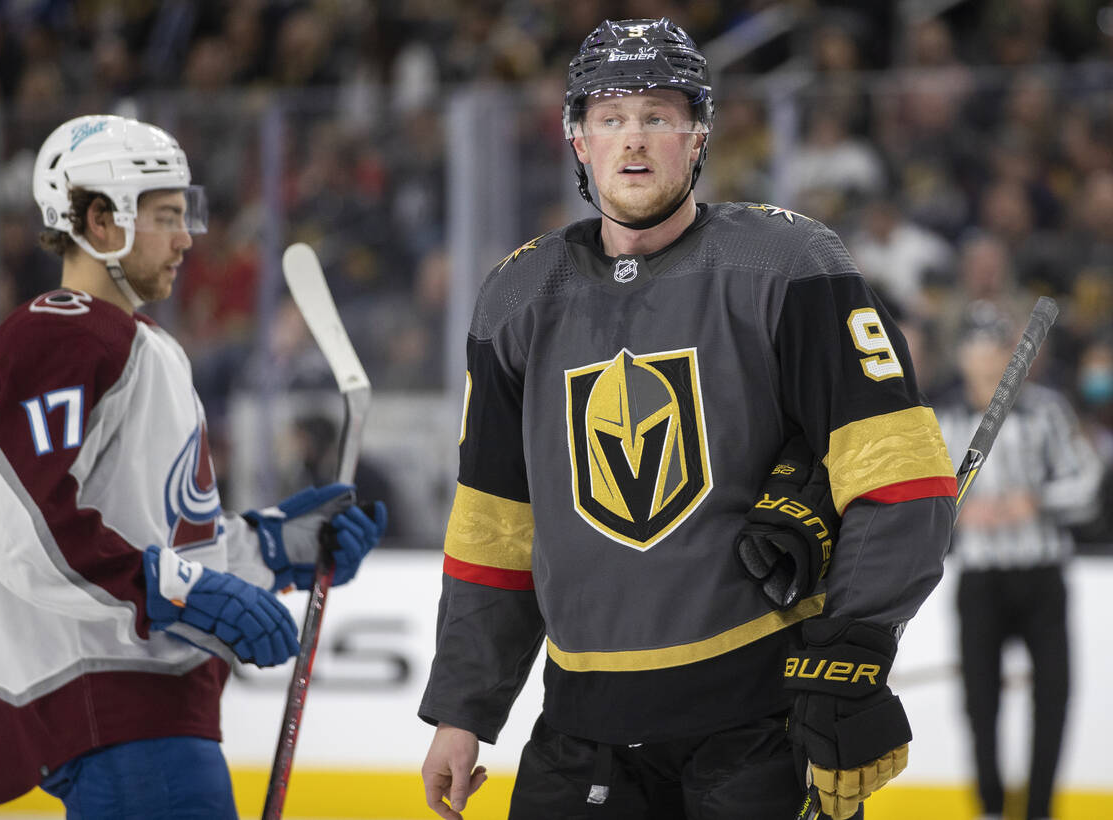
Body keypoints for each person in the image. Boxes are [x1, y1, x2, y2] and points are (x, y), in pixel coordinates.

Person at [418, 18, 956, 820]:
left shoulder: (789, 266)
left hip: (758, 724)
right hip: (580, 728)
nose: (634, 140)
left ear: (698, 136)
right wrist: (465, 706)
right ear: (577, 140)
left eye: (659, 116)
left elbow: (902, 478)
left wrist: (856, 649)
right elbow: (495, 523)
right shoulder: (516, 297)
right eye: (610, 117)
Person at [0, 114, 387, 817]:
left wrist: (273, 545)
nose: (187, 237)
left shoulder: (139, 344)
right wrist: (183, 592)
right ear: (100, 220)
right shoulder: (60, 333)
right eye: (165, 216)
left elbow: (164, 546)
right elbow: (29, 528)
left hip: (151, 711)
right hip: (118, 711)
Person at [936, 305, 1102, 820]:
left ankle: (1039, 810)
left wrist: (1037, 501)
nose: (988, 361)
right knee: (979, 702)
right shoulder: (942, 420)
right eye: (978, 350)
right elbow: (924, 500)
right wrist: (958, 514)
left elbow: (1087, 481)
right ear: (963, 355)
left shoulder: (1047, 412)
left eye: (998, 350)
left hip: (1041, 576)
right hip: (981, 579)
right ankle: (989, 805)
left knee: (1053, 696)